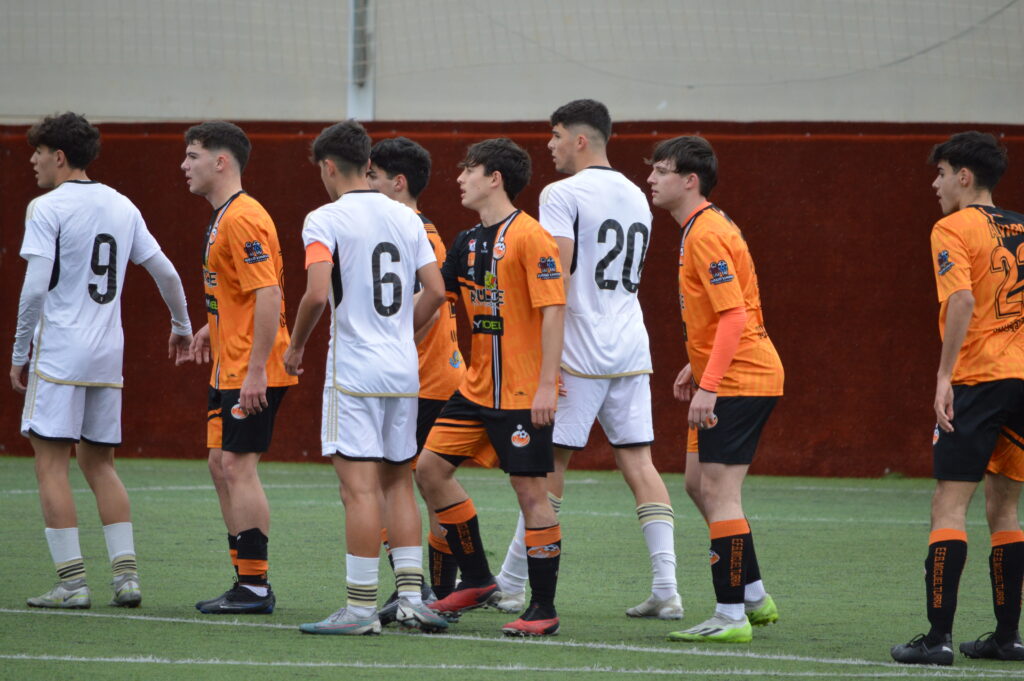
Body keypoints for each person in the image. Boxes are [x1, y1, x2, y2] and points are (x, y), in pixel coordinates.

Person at [491, 99, 681, 619]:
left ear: (580, 139)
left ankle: (510, 584)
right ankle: (668, 587)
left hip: (578, 349)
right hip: (630, 344)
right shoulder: (636, 195)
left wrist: (540, 362)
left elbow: (555, 274)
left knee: (545, 468)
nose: (548, 146)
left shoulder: (561, 193)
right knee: (640, 463)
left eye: (555, 136)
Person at [11, 112, 193, 609]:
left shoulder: (46, 208)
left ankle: (72, 584)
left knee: (51, 464)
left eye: (39, 151)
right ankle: (126, 578)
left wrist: (19, 350)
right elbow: (168, 274)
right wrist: (181, 326)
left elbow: (32, 290)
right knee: (100, 463)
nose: (32, 160)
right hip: (107, 355)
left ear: (60, 157)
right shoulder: (121, 204)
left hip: (61, 353)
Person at [284, 120, 448, 635]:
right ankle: (409, 598)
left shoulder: (323, 218)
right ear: (368, 164)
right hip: (403, 370)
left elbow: (314, 294)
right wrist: (402, 331)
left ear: (329, 167)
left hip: (354, 370)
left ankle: (358, 609)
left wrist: (293, 348)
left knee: (359, 489)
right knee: (399, 482)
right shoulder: (407, 218)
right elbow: (437, 291)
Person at [414, 138, 567, 636]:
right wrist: (391, 341)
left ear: (495, 177)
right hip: (476, 391)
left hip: (524, 395)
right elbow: (434, 296)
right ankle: (478, 579)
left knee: (530, 494)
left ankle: (542, 608)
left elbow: (553, 311)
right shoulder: (466, 241)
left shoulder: (532, 238)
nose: (460, 178)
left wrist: (548, 385)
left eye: (469, 170)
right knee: (429, 470)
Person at [891, 131, 1024, 666]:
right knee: (1007, 506)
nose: (935, 183)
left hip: (979, 378)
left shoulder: (951, 227)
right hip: (1022, 378)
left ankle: (938, 638)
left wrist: (944, 376)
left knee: (949, 502)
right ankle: (1006, 638)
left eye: (940, 173)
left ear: (964, 176)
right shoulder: (1021, 226)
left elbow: (964, 298)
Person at [647, 135, 784, 643]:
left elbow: (734, 314)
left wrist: (709, 382)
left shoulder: (704, 232)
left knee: (722, 495)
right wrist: (695, 362)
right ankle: (752, 595)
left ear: (690, 180)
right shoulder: (702, 226)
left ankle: (731, 616)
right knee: (696, 484)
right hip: (729, 372)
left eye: (661, 171)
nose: (651, 179)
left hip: (741, 379)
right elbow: (730, 310)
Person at [181, 121, 297, 615]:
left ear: (221, 161)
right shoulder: (223, 215)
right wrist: (214, 326)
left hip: (252, 368)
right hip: (229, 364)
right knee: (218, 464)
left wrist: (256, 372)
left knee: (237, 465)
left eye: (192, 156)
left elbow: (267, 293)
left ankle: (254, 587)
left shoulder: (243, 217)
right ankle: (243, 579)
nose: (184, 166)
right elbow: (239, 293)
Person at [365, 137, 466, 611]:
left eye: (373, 176)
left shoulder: (409, 231)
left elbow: (432, 297)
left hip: (417, 380)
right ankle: (439, 591)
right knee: (421, 486)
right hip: (435, 377)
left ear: (397, 183)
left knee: (390, 483)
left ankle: (421, 587)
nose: (366, 184)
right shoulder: (423, 229)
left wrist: (392, 338)